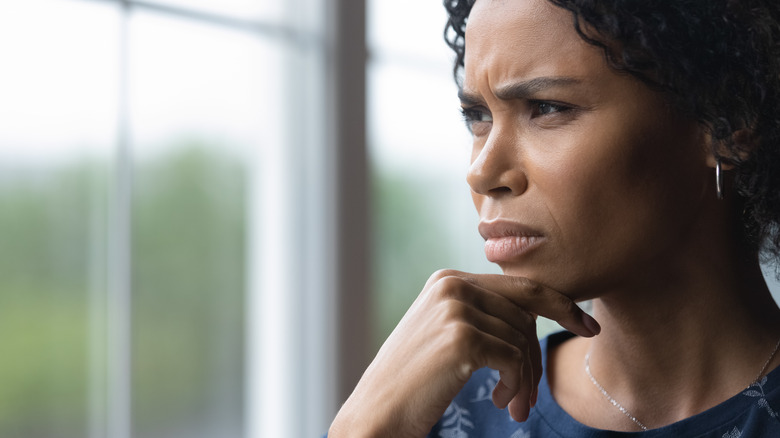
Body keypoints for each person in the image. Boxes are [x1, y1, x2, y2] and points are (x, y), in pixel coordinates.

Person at [329, 0, 780, 436]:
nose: (482, 172)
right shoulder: (442, 417)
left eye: (546, 108)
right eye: (478, 116)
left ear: (726, 121)